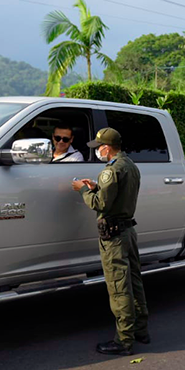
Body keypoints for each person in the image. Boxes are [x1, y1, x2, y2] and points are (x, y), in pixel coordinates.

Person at [71, 127, 149, 355]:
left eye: (99, 148)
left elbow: (101, 204)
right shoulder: (130, 165)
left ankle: (123, 341)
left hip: (113, 235)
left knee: (118, 286)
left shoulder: (111, 170)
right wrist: (97, 187)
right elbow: (116, 194)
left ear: (107, 147)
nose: (98, 152)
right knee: (134, 281)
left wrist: (83, 190)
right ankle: (141, 330)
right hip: (127, 231)